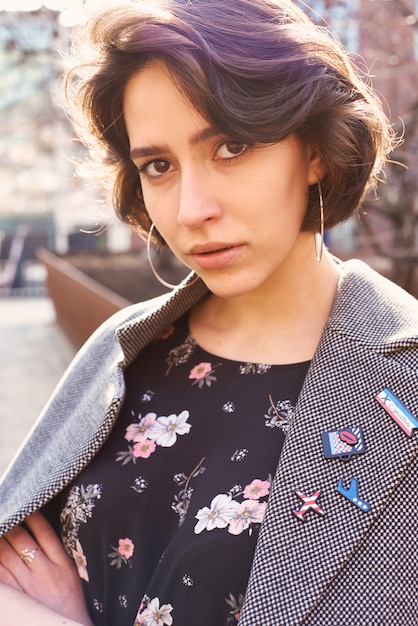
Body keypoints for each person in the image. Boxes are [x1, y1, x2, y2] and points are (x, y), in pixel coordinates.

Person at [0, 0, 417, 624]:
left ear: (316, 153)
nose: (191, 209)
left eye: (232, 146)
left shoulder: (400, 382)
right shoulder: (122, 348)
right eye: (158, 166)